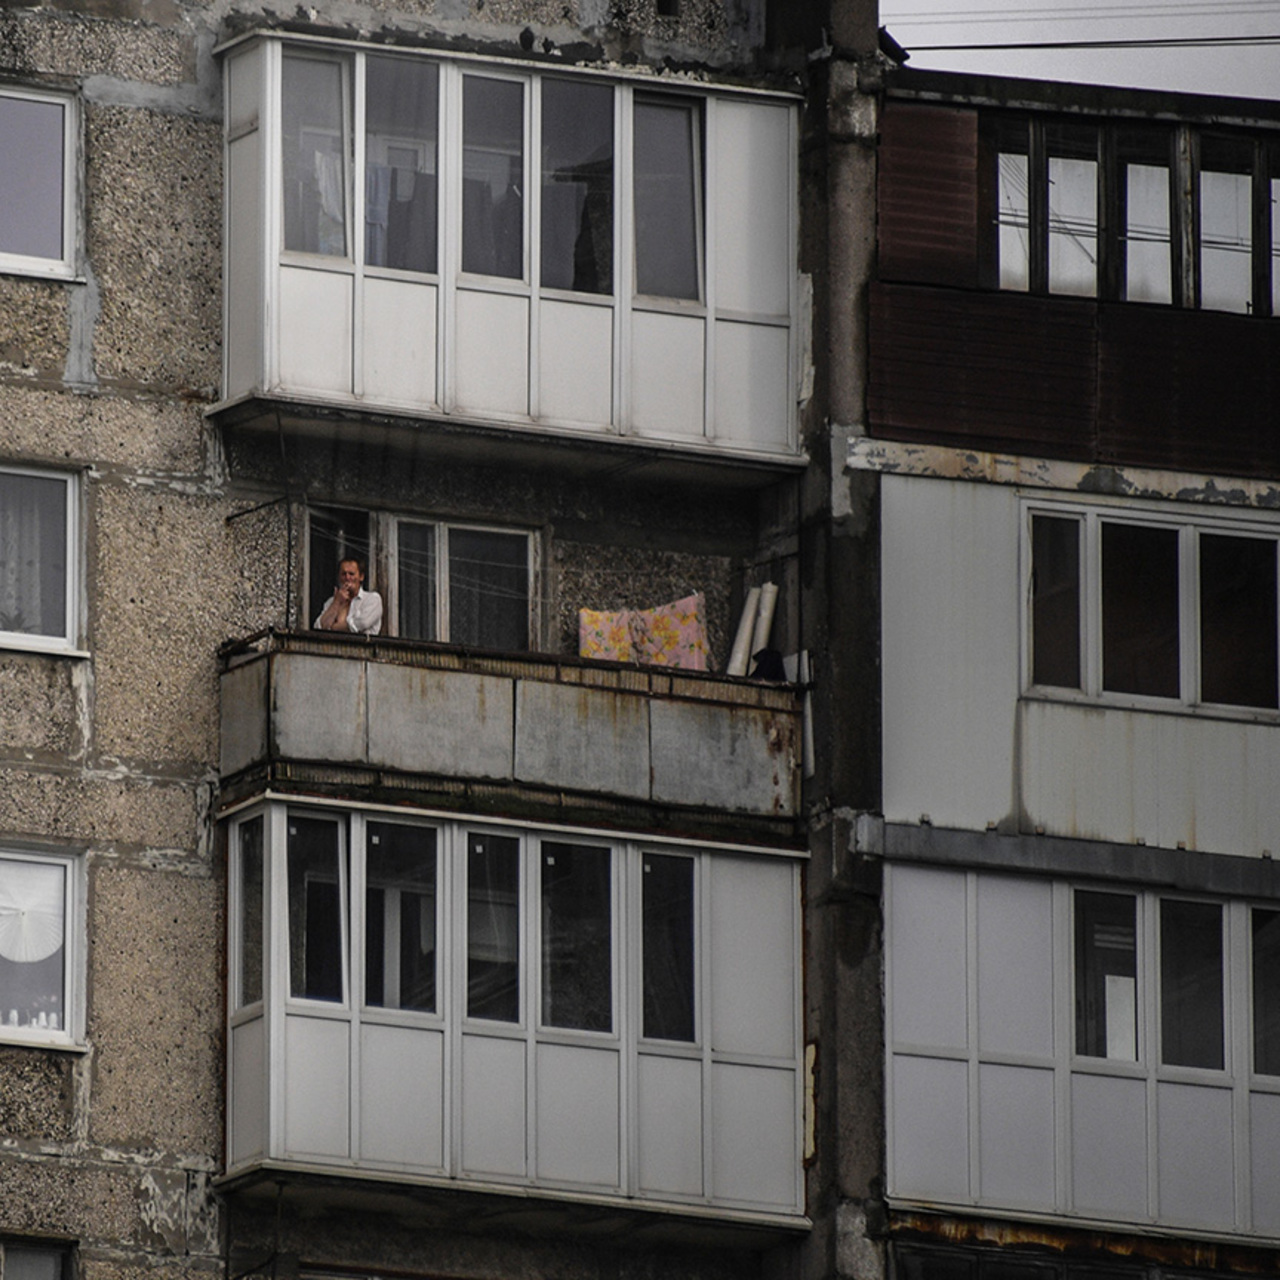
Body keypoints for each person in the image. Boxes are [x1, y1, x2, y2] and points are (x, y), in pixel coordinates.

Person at [315, 556, 383, 635]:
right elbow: (319, 627)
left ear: (361, 577)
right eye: (344, 574)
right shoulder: (331, 601)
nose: (347, 578)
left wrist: (333, 627)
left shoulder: (372, 599)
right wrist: (336, 602)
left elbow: (362, 623)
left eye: (351, 574)